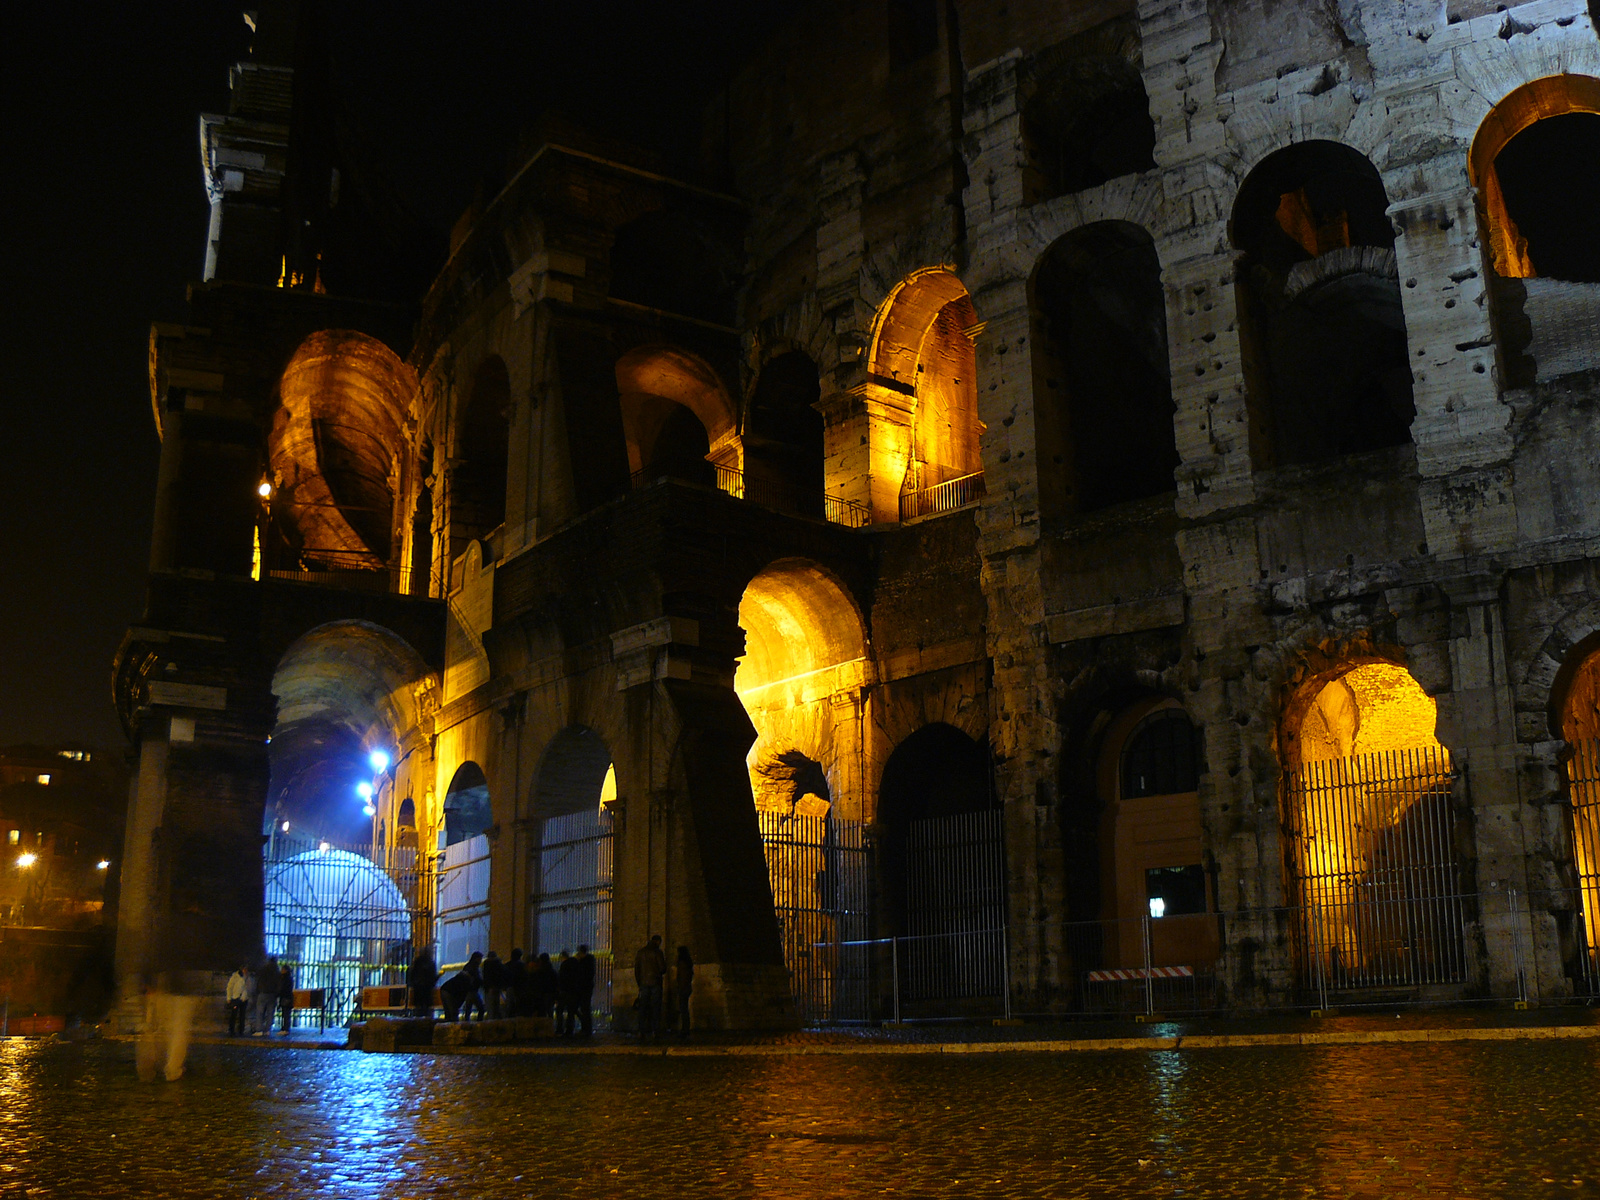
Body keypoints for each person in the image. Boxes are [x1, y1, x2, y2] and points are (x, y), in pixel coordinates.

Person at [633, 934, 667, 1040]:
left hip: (643, 983)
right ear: (658, 941)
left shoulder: (640, 952)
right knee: (655, 1008)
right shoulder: (657, 952)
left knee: (643, 1008)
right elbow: (662, 969)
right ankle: (655, 1031)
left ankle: (641, 1031)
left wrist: (640, 983)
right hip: (655, 983)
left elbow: (637, 970)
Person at [438, 952, 483, 1022]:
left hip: (446, 989)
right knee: (454, 1013)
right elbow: (462, 994)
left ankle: (447, 1028)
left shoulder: (466, 969)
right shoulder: (470, 976)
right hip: (450, 991)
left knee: (449, 1014)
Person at [569, 944, 597, 1038]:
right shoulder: (589, 961)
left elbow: (581, 974)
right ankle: (586, 1029)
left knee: (584, 1009)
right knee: (585, 1009)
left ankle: (586, 1029)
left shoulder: (584, 962)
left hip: (583, 988)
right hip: (586, 988)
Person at [407, 949, 438, 1018]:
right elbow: (433, 976)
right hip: (427, 990)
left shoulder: (417, 962)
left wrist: (412, 984)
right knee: (426, 1010)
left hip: (418, 988)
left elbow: (411, 974)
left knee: (418, 1010)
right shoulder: (431, 962)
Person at [674, 945, 694, 1039]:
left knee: (683, 1010)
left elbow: (682, 977)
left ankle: (685, 1030)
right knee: (684, 1010)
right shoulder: (688, 962)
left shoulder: (682, 963)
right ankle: (685, 1029)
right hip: (687, 987)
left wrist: (679, 988)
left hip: (683, 988)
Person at [253, 957, 278, 1035]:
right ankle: (268, 1030)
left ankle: (259, 1030)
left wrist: (257, 990)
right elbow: (279, 983)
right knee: (270, 1012)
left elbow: (258, 979)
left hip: (263, 992)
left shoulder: (264, 969)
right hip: (272, 994)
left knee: (260, 1012)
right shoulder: (276, 971)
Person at [481, 950, 506, 1020]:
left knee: (490, 1007)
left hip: (488, 988)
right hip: (496, 987)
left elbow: (485, 977)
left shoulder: (486, 964)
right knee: (496, 1005)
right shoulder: (498, 964)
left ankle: (490, 1021)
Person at [225, 965, 249, 1036]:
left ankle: (241, 1030)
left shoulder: (247, 977)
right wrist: (229, 998)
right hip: (236, 998)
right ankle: (231, 1030)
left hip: (244, 999)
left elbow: (247, 988)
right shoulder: (235, 977)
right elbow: (230, 987)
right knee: (233, 1015)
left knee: (242, 1015)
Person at [530, 952, 557, 1017]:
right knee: (550, 1011)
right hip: (551, 993)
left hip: (541, 994)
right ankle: (550, 1025)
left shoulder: (539, 971)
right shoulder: (552, 970)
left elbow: (537, 983)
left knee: (542, 1012)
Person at [504, 948, 529, 1017]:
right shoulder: (523, 965)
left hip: (510, 987)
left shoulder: (507, 965)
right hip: (520, 988)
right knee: (519, 1005)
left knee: (509, 1006)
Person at [552, 951, 571, 1034]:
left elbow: (561, 979)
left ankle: (560, 1028)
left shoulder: (564, 965)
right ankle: (569, 1029)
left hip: (564, 991)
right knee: (571, 1011)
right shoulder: (573, 965)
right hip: (571, 991)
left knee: (559, 1010)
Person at [277, 963, 294, 1034]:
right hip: (287, 997)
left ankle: (285, 1029)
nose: (281, 970)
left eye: (282, 969)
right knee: (286, 1014)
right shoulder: (289, 978)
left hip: (285, 997)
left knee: (286, 1014)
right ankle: (285, 1028)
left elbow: (283, 988)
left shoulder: (285, 978)